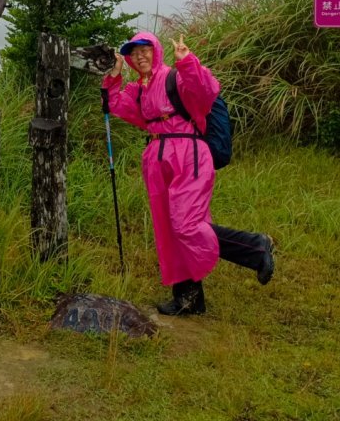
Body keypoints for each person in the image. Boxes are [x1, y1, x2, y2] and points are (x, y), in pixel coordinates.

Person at [101, 30, 275, 316]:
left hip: (188, 154)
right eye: (133, 52)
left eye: (144, 49)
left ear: (156, 50)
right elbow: (116, 104)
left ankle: (256, 247)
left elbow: (204, 91)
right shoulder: (139, 88)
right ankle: (189, 297)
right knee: (169, 229)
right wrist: (114, 76)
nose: (139, 56)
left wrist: (187, 61)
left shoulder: (174, 76)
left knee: (186, 224)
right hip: (157, 158)